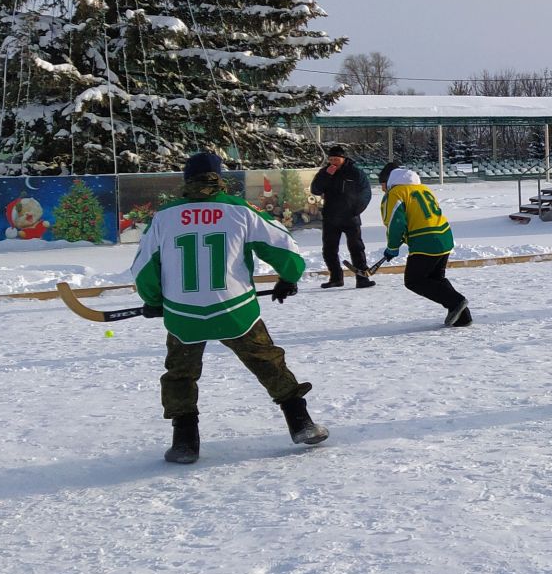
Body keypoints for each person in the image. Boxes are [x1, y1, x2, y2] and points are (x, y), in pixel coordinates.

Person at [130, 150, 327, 464]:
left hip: (184, 315)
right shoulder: (239, 210)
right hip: (235, 310)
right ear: (219, 178)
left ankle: (184, 441)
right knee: (267, 361)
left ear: (186, 180)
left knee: (180, 374)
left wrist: (154, 300)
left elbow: (142, 270)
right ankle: (300, 423)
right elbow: (285, 248)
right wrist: (288, 277)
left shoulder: (164, 216)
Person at [380, 164, 471, 327]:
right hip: (444, 236)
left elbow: (396, 222)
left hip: (424, 240)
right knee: (436, 279)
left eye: (382, 184)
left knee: (413, 280)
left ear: (389, 181)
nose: (382, 189)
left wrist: (392, 247)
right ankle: (463, 317)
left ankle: (457, 301)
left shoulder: (395, 193)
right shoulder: (423, 189)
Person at [309, 142, 374, 290]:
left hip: (350, 216)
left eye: (336, 160)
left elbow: (366, 192)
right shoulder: (324, 172)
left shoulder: (355, 172)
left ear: (343, 159)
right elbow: (315, 190)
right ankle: (336, 277)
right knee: (329, 249)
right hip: (331, 217)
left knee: (356, 247)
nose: (333, 162)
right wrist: (326, 175)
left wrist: (357, 209)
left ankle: (362, 278)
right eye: (331, 160)